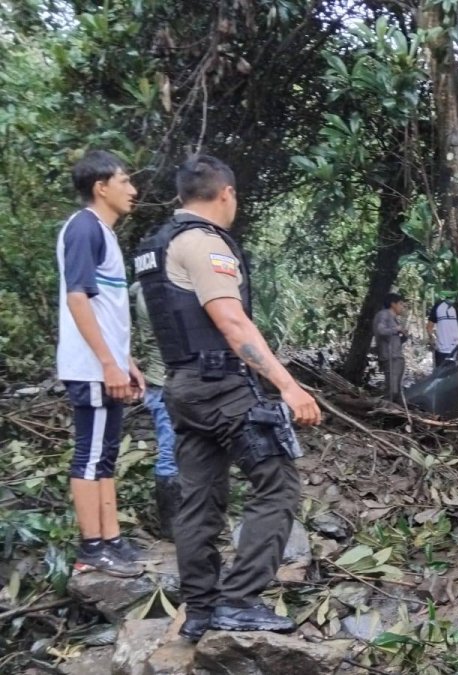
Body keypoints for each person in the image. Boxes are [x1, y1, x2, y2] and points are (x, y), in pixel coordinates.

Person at [134, 155, 321, 641]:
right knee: (278, 486)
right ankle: (238, 601)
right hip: (221, 387)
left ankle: (200, 609)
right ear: (227, 194)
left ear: (181, 195)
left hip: (182, 388)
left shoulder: (155, 248)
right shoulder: (202, 244)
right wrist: (288, 384)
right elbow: (231, 321)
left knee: (198, 500)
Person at [57, 150, 147, 578]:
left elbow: (106, 310)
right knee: (90, 457)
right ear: (101, 187)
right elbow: (78, 299)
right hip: (91, 367)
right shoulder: (83, 229)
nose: (133, 190)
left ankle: (111, 539)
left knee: (106, 456)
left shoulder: (105, 234)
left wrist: (126, 361)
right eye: (125, 181)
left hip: (106, 363)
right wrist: (108, 364)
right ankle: (91, 548)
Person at [130, 281, 180, 541]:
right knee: (171, 452)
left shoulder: (145, 289)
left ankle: (182, 524)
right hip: (166, 382)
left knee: (176, 449)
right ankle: (173, 527)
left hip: (164, 381)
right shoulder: (155, 292)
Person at [374, 293, 408, 401]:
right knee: (392, 390)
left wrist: (403, 335)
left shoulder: (394, 319)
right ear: (393, 304)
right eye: (401, 304)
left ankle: (394, 411)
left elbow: (394, 338)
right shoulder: (384, 315)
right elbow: (381, 331)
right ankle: (387, 411)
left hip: (396, 356)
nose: (402, 307)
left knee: (396, 389)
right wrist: (396, 329)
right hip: (390, 357)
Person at [426, 298, 458, 366]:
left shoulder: (439, 305)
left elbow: (429, 327)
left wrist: (433, 340)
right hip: (456, 349)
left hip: (444, 349)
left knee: (441, 374)